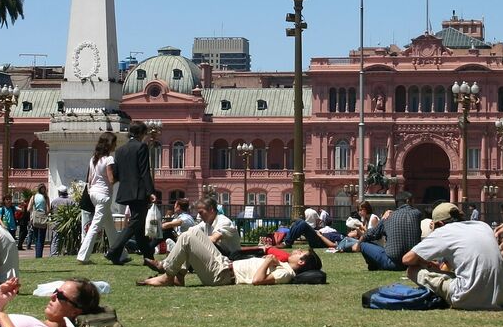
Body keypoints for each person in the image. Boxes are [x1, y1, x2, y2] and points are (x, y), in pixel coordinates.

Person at [402, 203, 503, 311]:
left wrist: (425, 262)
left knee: (412, 270)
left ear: (440, 223)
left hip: (468, 297)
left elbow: (407, 259)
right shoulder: (483, 226)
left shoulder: (444, 231)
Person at [137, 225, 321, 287]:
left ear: (302, 261)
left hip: (222, 275)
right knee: (194, 231)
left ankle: (167, 271)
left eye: (299, 253)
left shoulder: (286, 273)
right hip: (225, 264)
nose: (296, 251)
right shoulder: (284, 267)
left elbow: (257, 281)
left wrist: (268, 262)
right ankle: (177, 275)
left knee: (186, 238)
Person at [105, 121, 155, 266]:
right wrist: (150, 191)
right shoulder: (141, 147)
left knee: (138, 226)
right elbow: (144, 171)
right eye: (145, 134)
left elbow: (117, 173)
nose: (145, 137)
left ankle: (148, 257)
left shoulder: (120, 150)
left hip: (126, 190)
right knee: (135, 222)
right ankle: (113, 251)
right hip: (139, 191)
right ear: (140, 133)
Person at [76, 132, 118, 265]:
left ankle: (120, 254)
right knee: (95, 227)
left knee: (110, 226)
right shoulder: (108, 160)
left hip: (93, 193)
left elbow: (89, 179)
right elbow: (111, 179)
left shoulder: (93, 159)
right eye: (114, 143)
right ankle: (83, 256)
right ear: (109, 144)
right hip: (104, 195)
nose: (116, 145)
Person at [355, 192, 424, 271]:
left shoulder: (389, 216)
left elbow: (373, 234)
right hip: (412, 261)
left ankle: (374, 267)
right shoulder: (417, 214)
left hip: (393, 263)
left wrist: (383, 219)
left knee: (364, 245)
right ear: (408, 201)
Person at [48, 186, 73, 256]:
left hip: (57, 223)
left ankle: (53, 253)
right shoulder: (71, 201)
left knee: (56, 239)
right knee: (68, 238)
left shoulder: (54, 201)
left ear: (59, 192)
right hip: (68, 223)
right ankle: (67, 251)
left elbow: (52, 212)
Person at [28, 185, 49, 259]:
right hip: (43, 218)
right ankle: (39, 255)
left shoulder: (33, 197)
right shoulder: (46, 198)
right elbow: (48, 210)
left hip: (35, 218)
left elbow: (28, 208)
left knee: (36, 238)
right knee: (42, 238)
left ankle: (37, 255)